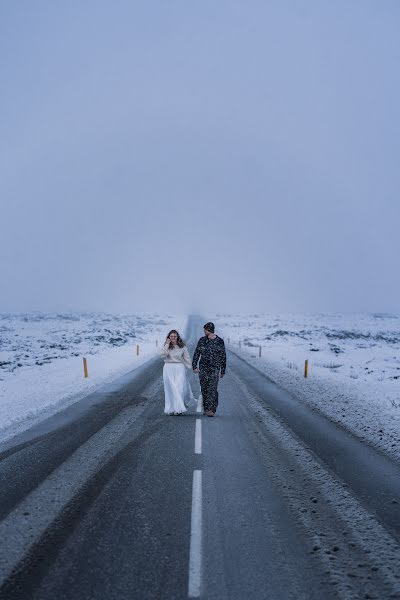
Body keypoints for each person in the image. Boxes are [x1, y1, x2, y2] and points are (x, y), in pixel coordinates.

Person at [192, 322, 226, 417]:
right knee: (204, 389)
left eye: (205, 329)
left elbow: (223, 356)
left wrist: (222, 370)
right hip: (203, 368)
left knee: (213, 389)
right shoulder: (202, 340)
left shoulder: (219, 341)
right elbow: (197, 353)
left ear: (209, 330)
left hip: (215, 368)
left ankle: (212, 410)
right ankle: (206, 408)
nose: (204, 331)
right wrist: (194, 366)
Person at [160, 329, 197, 415]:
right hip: (168, 368)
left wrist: (192, 368)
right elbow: (162, 355)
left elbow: (187, 358)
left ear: (177, 337)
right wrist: (167, 344)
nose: (173, 338)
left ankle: (178, 409)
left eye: (175, 336)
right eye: (171, 336)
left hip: (179, 368)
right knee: (170, 389)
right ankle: (171, 409)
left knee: (178, 388)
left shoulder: (182, 346)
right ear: (169, 337)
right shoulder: (166, 346)